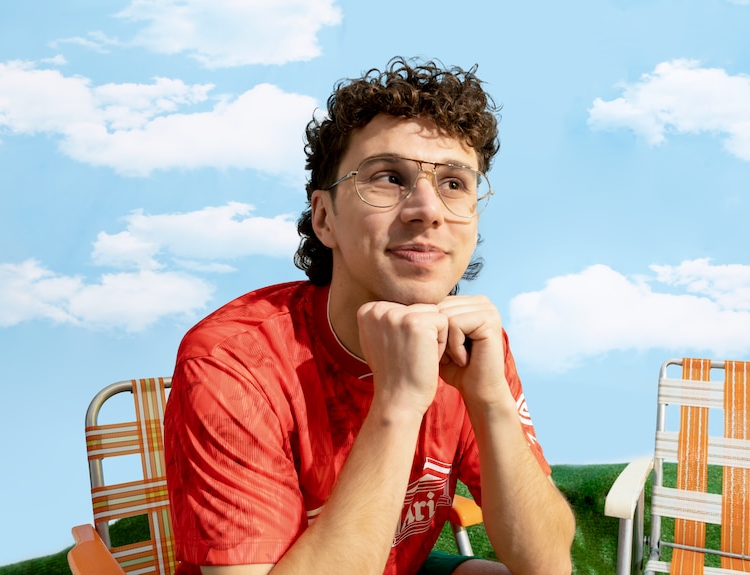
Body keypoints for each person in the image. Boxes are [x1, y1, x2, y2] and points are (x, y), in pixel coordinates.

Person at [164, 57, 575, 575]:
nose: (427, 208)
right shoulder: (233, 361)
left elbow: (548, 565)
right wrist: (398, 405)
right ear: (324, 218)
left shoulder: (471, 342)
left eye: (454, 183)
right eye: (388, 177)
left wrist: (490, 399)